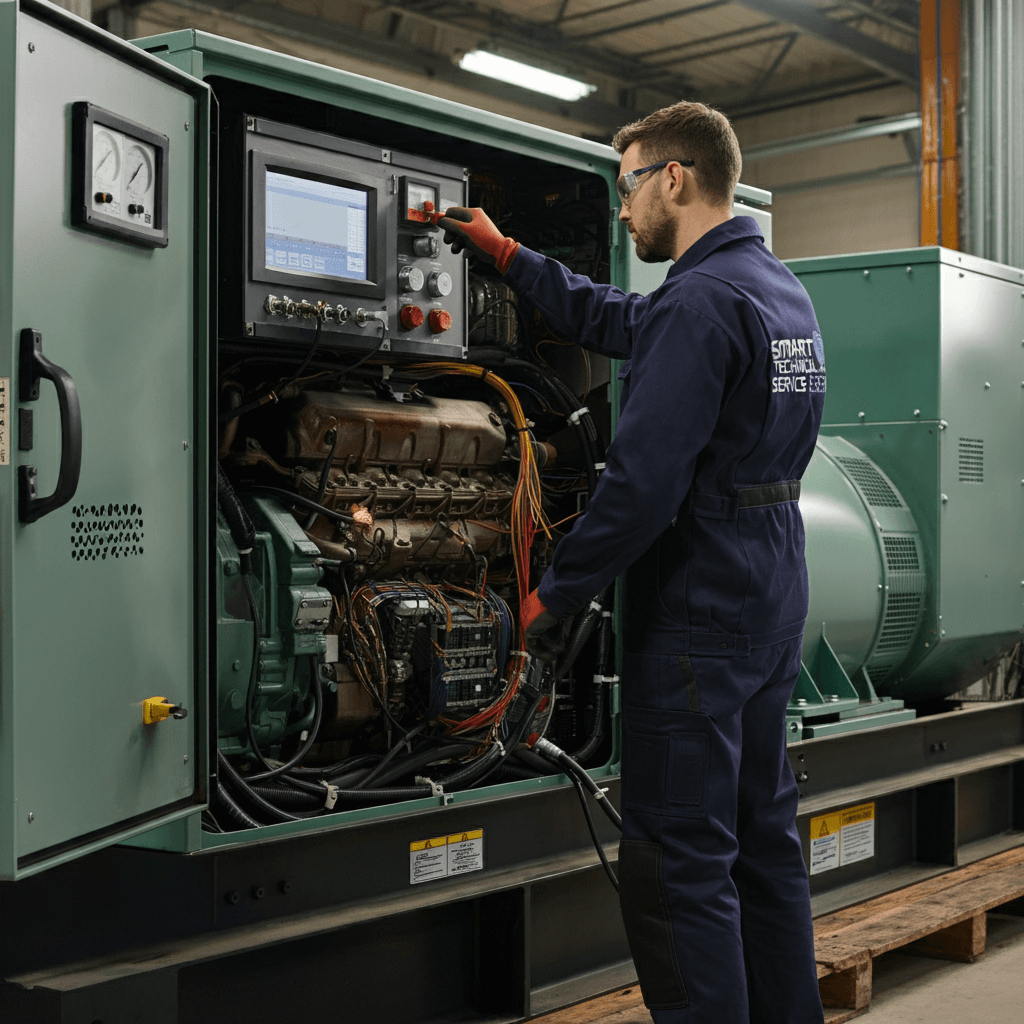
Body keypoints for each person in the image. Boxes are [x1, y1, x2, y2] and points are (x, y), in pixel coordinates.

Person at [438, 101, 825, 1024]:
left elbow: (644, 488)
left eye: (627, 189)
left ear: (675, 179)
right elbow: (628, 321)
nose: (622, 213)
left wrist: (552, 594)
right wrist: (509, 257)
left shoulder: (701, 300)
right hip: (770, 590)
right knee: (763, 840)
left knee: (679, 858)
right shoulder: (775, 289)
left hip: (698, 603)